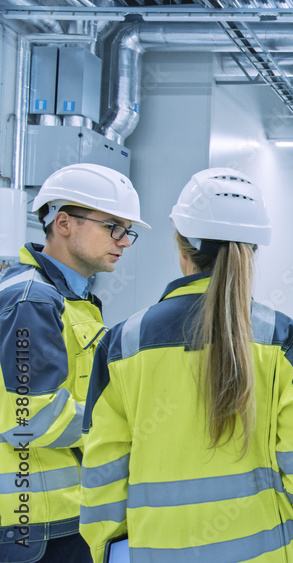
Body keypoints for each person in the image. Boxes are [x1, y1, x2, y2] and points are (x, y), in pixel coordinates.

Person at [80, 168, 293, 562]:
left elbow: (103, 465)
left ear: (181, 245)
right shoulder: (281, 339)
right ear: (252, 251)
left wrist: (106, 547)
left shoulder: (123, 343)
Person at [0, 163, 149, 562]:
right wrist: (126, 425)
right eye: (112, 226)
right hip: (36, 520)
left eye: (127, 230)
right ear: (63, 222)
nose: (124, 241)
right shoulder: (31, 300)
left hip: (66, 511)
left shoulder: (69, 299)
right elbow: (29, 417)